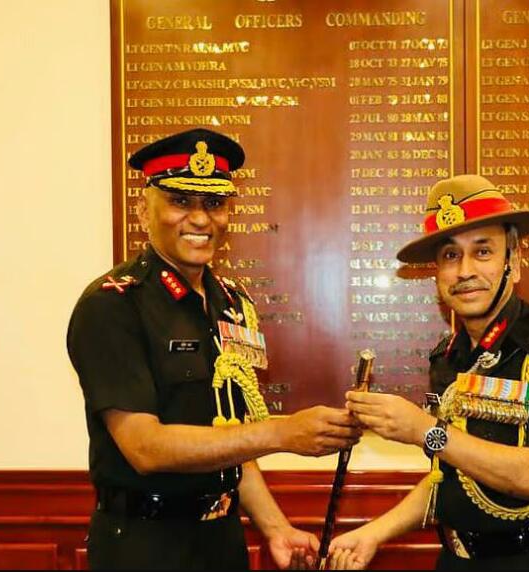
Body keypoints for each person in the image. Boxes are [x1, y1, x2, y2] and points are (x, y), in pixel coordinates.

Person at [67, 128, 361, 570]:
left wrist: (275, 527)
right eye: (180, 201)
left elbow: (229, 435)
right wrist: (281, 433)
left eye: (214, 204)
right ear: (144, 210)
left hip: (222, 540)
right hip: (143, 545)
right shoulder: (113, 305)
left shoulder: (232, 303)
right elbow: (144, 447)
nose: (201, 220)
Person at [330, 175, 529, 570]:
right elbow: (453, 479)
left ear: (514, 262)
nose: (464, 271)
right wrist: (373, 532)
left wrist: (426, 430)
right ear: (437, 273)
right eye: (450, 256)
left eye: (483, 251)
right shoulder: (449, 356)